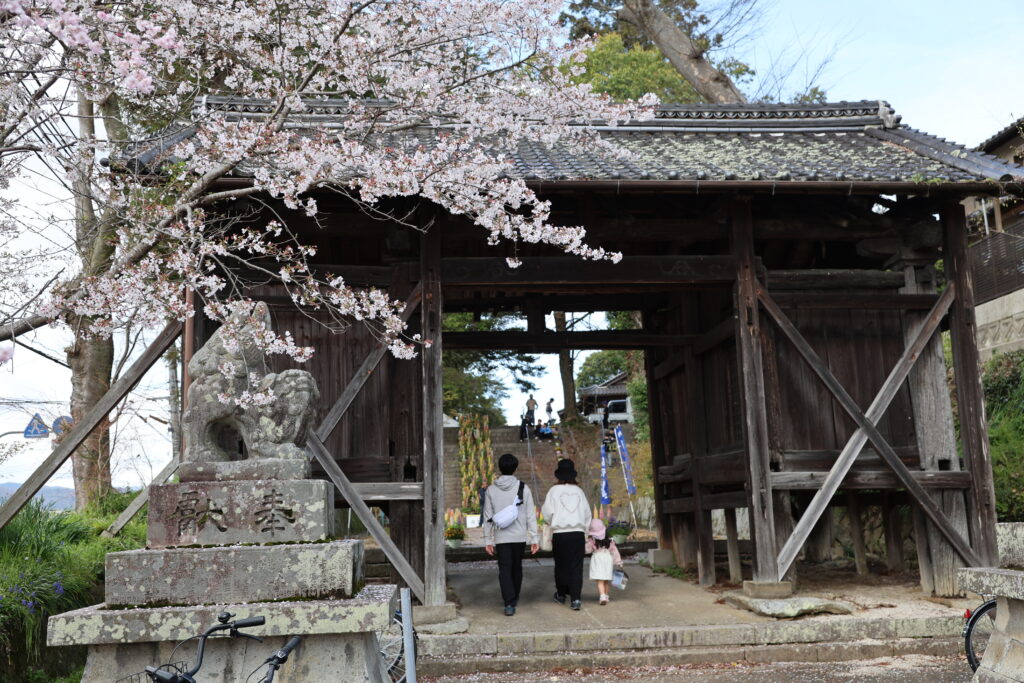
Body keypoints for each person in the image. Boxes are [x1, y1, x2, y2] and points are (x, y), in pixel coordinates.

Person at [483, 453, 539, 616]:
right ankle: (514, 597)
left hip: (501, 538)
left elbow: (488, 517)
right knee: (517, 568)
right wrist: (534, 537)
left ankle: (509, 602)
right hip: (519, 536)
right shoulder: (523, 487)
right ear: (515, 468)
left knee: (504, 569)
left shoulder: (491, 490)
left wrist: (488, 540)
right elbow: (530, 515)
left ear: (500, 468)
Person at [541, 458, 592, 611]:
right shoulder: (579, 491)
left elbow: (547, 513)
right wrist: (586, 532)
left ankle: (561, 594)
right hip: (577, 533)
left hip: (560, 533)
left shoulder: (553, 491)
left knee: (561, 565)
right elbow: (587, 515)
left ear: (559, 475)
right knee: (576, 566)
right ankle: (576, 599)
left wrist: (552, 521)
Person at [586, 519, 623, 606]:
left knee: (600, 580)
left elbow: (587, 549)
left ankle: (602, 596)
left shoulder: (592, 541)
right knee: (606, 580)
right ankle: (606, 596)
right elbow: (615, 551)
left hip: (598, 559)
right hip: (607, 559)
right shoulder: (610, 540)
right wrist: (619, 562)